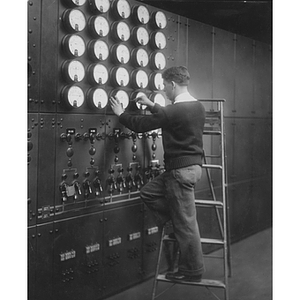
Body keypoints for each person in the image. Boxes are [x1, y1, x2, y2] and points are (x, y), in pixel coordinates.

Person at [109, 66, 206, 282]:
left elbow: (142, 125)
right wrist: (151, 104)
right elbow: (170, 117)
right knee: (148, 192)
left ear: (172, 84)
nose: (163, 91)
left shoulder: (172, 111)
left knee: (187, 225)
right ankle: (174, 222)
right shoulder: (198, 107)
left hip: (178, 172)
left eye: (164, 86)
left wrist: (121, 115)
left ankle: (192, 271)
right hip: (193, 168)